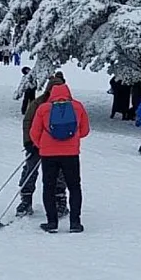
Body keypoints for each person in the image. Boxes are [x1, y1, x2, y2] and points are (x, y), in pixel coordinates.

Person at [29, 82, 90, 233]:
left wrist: (41, 145)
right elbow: (85, 130)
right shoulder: (77, 107)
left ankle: (52, 223)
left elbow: (34, 132)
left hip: (48, 154)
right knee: (74, 187)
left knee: (48, 187)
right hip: (71, 154)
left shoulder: (43, 108)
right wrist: (72, 138)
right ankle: (75, 223)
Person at [17, 74, 68, 218]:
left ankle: (60, 199)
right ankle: (26, 199)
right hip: (37, 144)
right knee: (30, 170)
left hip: (57, 146)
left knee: (59, 172)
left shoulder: (66, 104)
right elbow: (28, 122)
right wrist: (28, 142)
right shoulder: (38, 103)